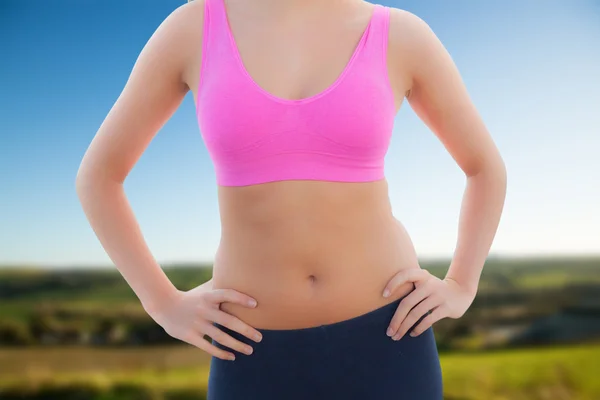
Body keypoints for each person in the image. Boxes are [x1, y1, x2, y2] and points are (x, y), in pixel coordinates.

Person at [75, 0, 507, 398]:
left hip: (390, 337)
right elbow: (98, 177)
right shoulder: (194, 28)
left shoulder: (399, 34)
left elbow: (485, 167)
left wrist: (461, 285)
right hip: (250, 350)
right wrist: (162, 303)